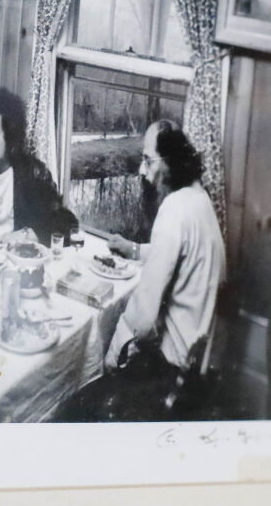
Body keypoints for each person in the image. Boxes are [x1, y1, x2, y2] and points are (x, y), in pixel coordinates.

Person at [95, 121, 224, 408]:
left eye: (147, 161)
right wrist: (134, 250)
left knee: (91, 385)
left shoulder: (173, 209)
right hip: (198, 361)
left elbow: (142, 316)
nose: (142, 171)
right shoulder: (198, 199)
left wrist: (112, 355)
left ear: (168, 163)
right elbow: (181, 252)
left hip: (172, 369)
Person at [0, 87, 77, 254]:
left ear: (12, 138)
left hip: (15, 267)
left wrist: (25, 235)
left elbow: (67, 223)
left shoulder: (33, 173)